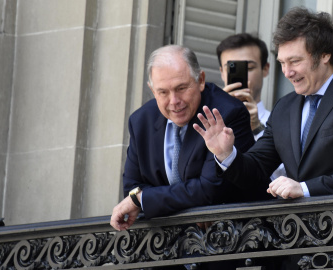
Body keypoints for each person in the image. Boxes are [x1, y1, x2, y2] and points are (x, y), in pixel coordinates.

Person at [194, 7, 333, 267]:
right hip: (297, 249)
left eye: (295, 61)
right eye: (282, 63)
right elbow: (256, 169)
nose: (287, 72)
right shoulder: (285, 107)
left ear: (325, 54)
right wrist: (225, 154)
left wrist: (303, 189)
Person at [110, 45, 267, 233]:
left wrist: (143, 200)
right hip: (163, 247)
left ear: (201, 80)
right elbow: (132, 188)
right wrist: (143, 198)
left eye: (181, 88)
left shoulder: (227, 112)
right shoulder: (140, 121)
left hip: (224, 245)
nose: (174, 101)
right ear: (152, 90)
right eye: (163, 92)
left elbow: (209, 189)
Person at [217, 33, 286, 179]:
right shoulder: (206, 119)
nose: (242, 76)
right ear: (222, 72)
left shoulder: (283, 124)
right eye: (233, 68)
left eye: (248, 68)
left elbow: (284, 177)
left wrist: (257, 127)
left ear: (265, 69)